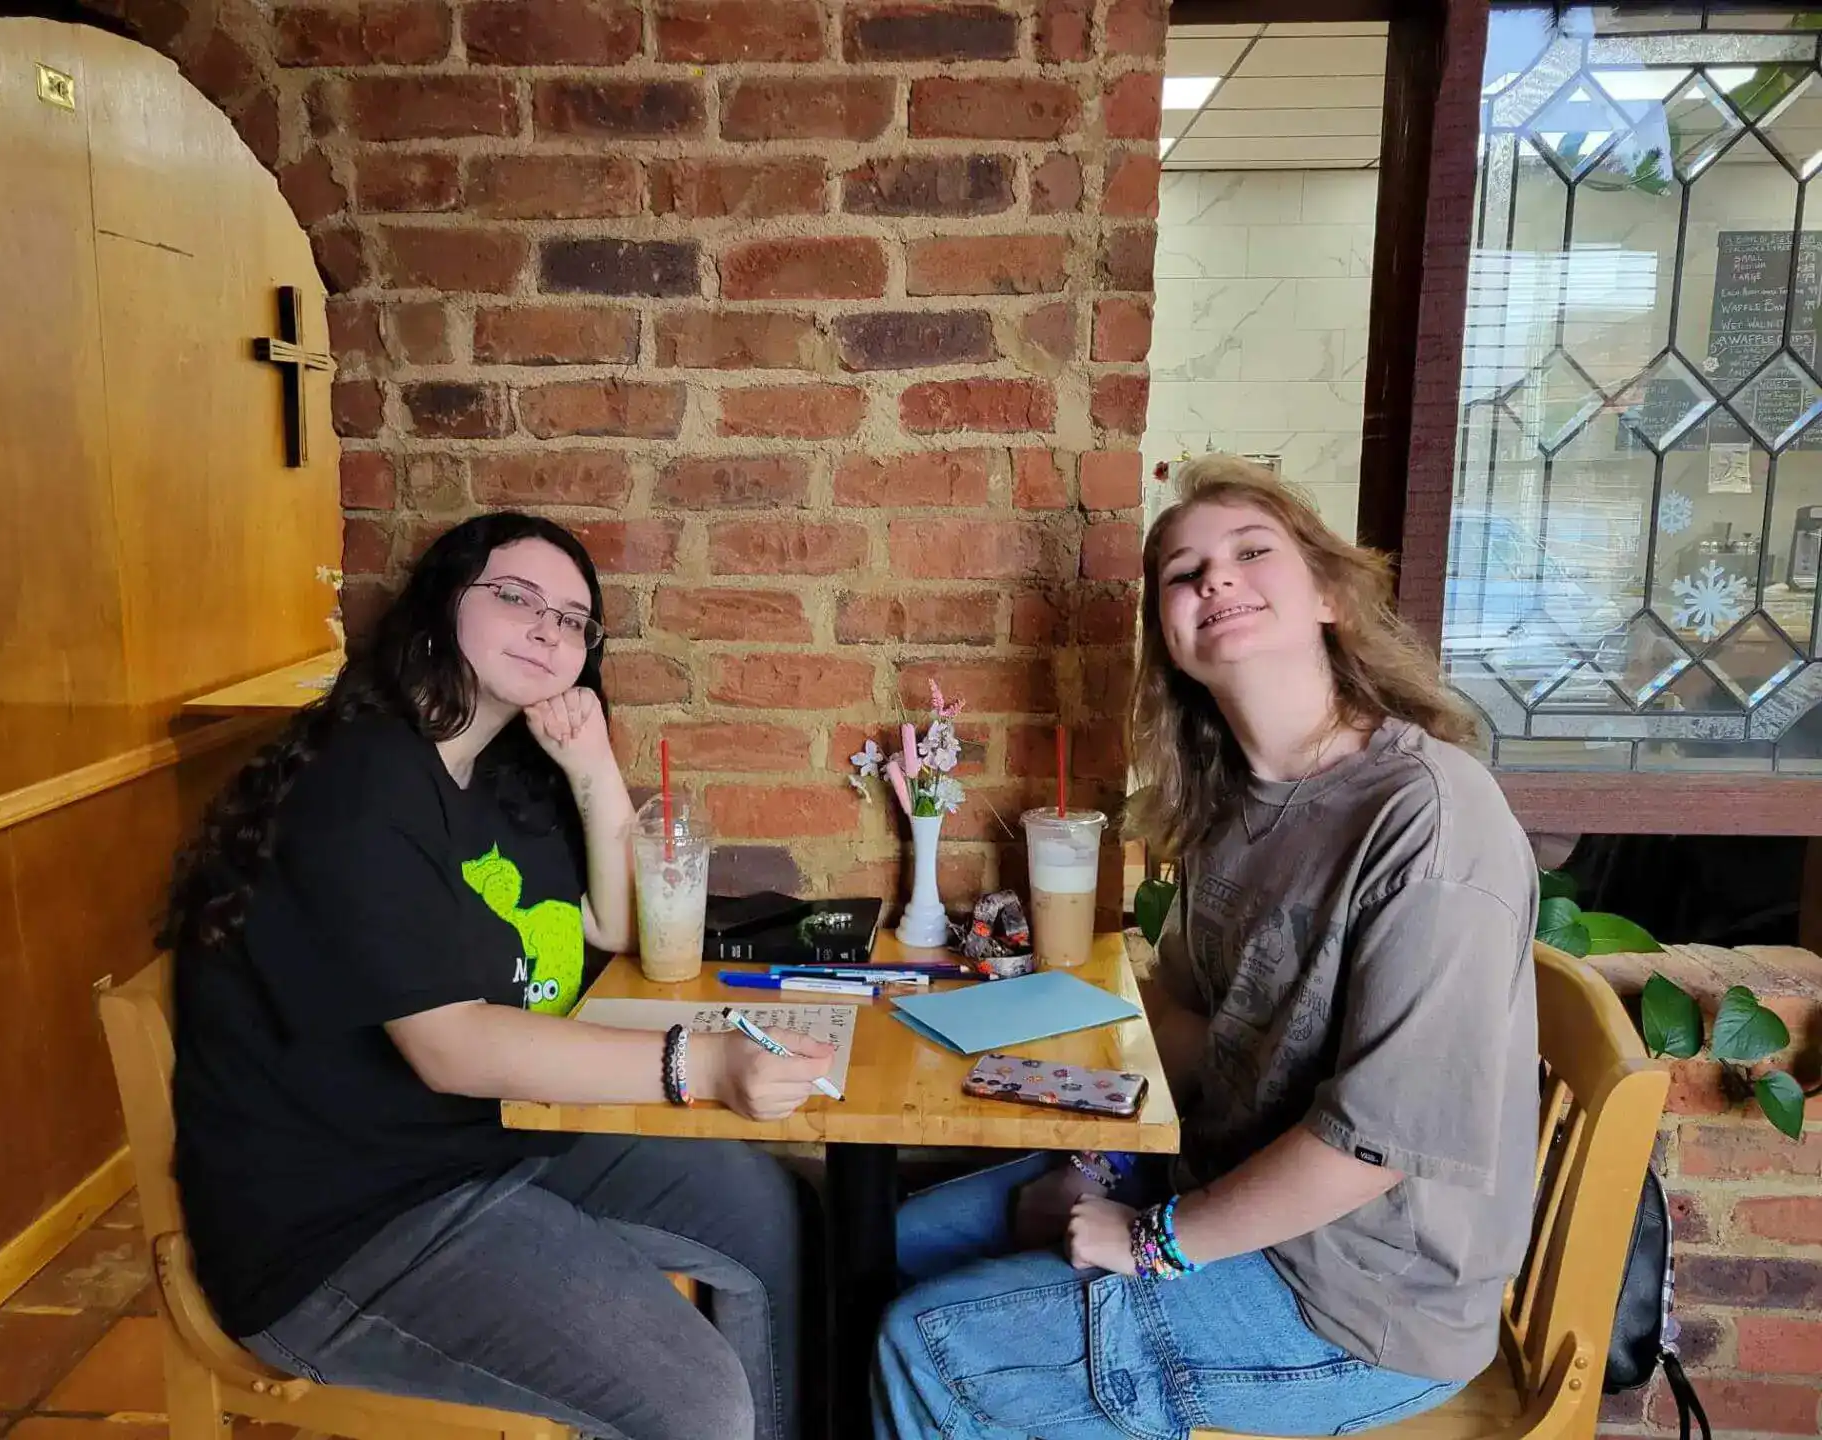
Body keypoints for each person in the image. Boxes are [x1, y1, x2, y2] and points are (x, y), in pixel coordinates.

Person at [874, 456, 1539, 1439]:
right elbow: (1192, 1030)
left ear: (1328, 595)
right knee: (871, 1238)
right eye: (1185, 574)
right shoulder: (1234, 810)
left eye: (1250, 552)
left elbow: (1376, 1144)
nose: (1214, 579)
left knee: (925, 1340)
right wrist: (1086, 1154)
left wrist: (1150, 1240)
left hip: (1358, 1307)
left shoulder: (1427, 819)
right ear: (1172, 640)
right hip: (1223, 1195)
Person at [163, 512, 832, 1440]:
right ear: (442, 604)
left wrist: (593, 764)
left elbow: (609, 926)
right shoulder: (360, 786)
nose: (548, 628)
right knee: (694, 1401)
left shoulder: (498, 774)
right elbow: (451, 1045)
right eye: (515, 598)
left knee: (771, 1217)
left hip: (496, 1138)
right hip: (345, 1223)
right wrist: (702, 1064)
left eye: (572, 619)